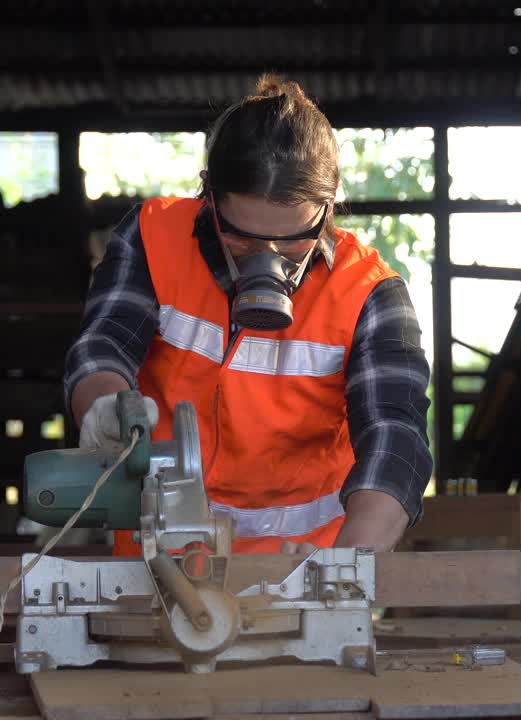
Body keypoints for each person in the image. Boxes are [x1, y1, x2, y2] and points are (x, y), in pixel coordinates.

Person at [64, 73, 432, 556]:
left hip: (304, 573)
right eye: (242, 238)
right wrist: (103, 406)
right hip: (159, 569)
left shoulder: (369, 294)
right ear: (209, 196)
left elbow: (395, 437)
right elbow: (104, 343)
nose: (270, 257)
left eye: (296, 239)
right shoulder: (154, 240)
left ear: (330, 202)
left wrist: (345, 568)